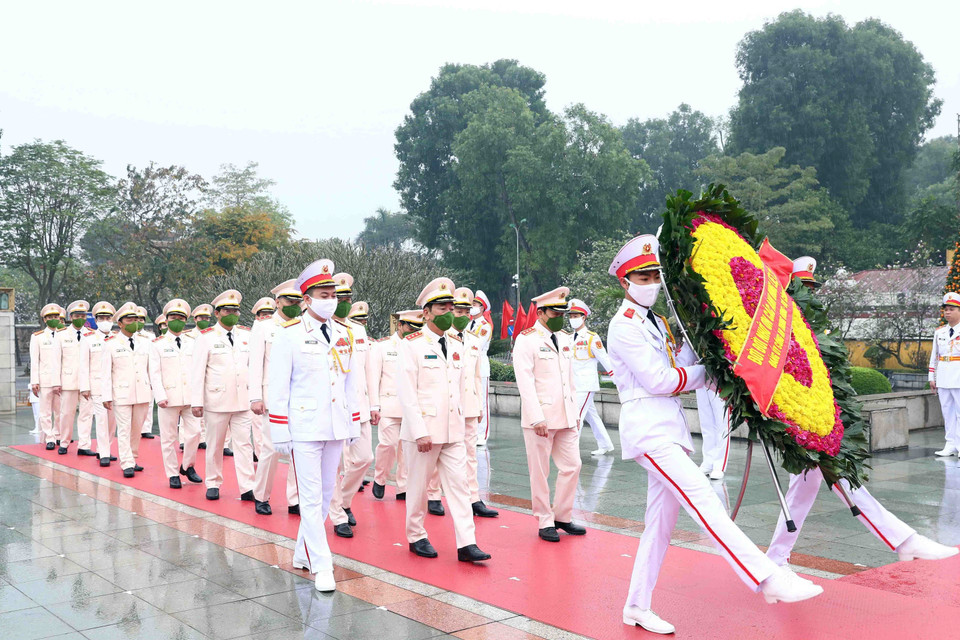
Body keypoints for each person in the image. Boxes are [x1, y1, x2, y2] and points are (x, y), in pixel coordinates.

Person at [606, 234, 822, 634]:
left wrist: (708, 345)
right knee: (705, 500)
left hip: (667, 430)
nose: (653, 281)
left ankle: (636, 605)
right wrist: (707, 373)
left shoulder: (657, 323)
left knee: (659, 527)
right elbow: (659, 380)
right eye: (643, 275)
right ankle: (765, 577)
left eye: (656, 274)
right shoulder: (623, 326)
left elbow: (680, 363)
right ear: (625, 281)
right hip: (649, 431)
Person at [268, 258, 363, 592]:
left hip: (335, 426)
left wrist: (354, 423)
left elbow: (351, 382)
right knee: (309, 498)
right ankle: (323, 566)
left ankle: (303, 552)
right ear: (306, 299)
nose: (330, 299)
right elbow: (277, 385)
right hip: (304, 426)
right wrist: (279, 428)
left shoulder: (344, 333)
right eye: (323, 294)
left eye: (332, 294)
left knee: (324, 496)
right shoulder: (288, 335)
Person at [397, 277, 492, 563]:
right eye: (441, 307)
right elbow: (407, 392)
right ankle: (416, 535)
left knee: (461, 486)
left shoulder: (457, 343)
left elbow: (460, 386)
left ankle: (467, 543)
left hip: (453, 430)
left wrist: (464, 422)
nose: (448, 312)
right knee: (417, 487)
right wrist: (419, 431)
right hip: (423, 432)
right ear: (426, 313)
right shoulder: (411, 345)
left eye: (450, 306)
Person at [513, 287, 584, 542]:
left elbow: (569, 380)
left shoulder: (564, 338)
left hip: (566, 415)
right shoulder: (526, 339)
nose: (560, 317)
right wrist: (536, 417)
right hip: (540, 418)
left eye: (563, 312)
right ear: (541, 312)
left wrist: (574, 412)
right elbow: (525, 381)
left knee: (573, 465)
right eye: (555, 312)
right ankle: (544, 520)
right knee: (540, 471)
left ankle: (562, 516)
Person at [191, 290, 257, 501]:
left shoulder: (246, 335)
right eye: (227, 310)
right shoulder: (206, 337)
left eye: (235, 311)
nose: (232, 314)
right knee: (215, 445)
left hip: (242, 400)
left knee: (244, 445)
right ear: (218, 314)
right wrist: (196, 402)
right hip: (216, 401)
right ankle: (213, 482)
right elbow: (198, 372)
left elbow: (253, 368)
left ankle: (248, 486)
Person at [249, 281, 303, 516]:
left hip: (299, 398)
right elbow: (255, 364)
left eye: (297, 301)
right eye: (289, 301)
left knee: (299, 452)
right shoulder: (264, 327)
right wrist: (255, 398)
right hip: (272, 398)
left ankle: (295, 499)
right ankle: (261, 496)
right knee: (270, 451)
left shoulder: (303, 326)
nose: (294, 305)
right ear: (278, 302)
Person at [328, 273, 374, 538]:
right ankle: (337, 515)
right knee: (334, 464)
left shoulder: (358, 330)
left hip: (360, 406)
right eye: (339, 297)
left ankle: (344, 501)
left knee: (364, 458)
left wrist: (375, 403)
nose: (344, 302)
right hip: (334, 406)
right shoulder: (323, 329)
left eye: (348, 298)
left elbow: (367, 369)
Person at [450, 287, 498, 517]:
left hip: (468, 402)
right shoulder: (443, 337)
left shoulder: (475, 336)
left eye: (466, 310)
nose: (463, 314)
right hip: (447, 406)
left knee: (470, 454)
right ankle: (431, 496)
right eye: (457, 310)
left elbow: (476, 376)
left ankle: (474, 498)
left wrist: (477, 405)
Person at [148, 299, 203, 488]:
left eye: (180, 318)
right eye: (173, 317)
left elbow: (198, 370)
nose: (177, 320)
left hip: (190, 397)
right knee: (169, 438)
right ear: (167, 319)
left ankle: (187, 466)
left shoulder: (193, 342)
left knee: (195, 433)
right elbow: (154, 373)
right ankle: (172, 473)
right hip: (168, 398)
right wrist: (159, 396)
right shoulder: (157, 344)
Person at [369, 309, 423, 501]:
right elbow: (373, 377)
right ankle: (380, 478)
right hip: (389, 405)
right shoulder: (382, 346)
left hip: (412, 408)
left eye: (418, 327)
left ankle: (403, 487)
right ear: (399, 325)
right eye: (409, 326)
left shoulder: (420, 346)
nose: (412, 330)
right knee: (388, 445)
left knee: (407, 450)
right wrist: (373, 406)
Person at [101, 302, 152, 478]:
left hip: (142, 392)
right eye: (129, 319)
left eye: (135, 319)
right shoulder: (110, 343)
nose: (133, 322)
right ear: (120, 323)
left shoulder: (146, 342)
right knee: (123, 429)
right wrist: (106, 396)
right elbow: (106, 372)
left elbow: (151, 369)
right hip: (121, 393)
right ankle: (127, 463)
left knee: (136, 429)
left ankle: (133, 458)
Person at [567, 298, 616, 456]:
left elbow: (605, 359)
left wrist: (616, 378)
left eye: (576, 315)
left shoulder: (591, 337)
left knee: (576, 416)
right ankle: (606, 444)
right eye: (571, 315)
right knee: (591, 415)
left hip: (586, 384)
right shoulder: (569, 338)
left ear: (584, 317)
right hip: (574, 383)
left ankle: (571, 451)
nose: (573, 319)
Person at [79, 301, 117, 466]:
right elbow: (83, 364)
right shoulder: (88, 339)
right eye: (101, 317)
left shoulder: (118, 338)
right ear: (96, 319)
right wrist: (84, 387)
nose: (105, 320)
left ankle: (106, 448)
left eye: (108, 317)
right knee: (101, 419)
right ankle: (104, 454)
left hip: (116, 386)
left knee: (112, 422)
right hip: (97, 385)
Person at [55, 300, 91, 455]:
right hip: (68, 381)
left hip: (87, 383)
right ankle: (64, 442)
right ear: (71, 316)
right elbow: (56, 360)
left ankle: (84, 445)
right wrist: (56, 382)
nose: (80, 318)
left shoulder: (91, 335)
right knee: (66, 414)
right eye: (77, 315)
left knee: (86, 414)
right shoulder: (61, 334)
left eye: (83, 316)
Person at [30, 303, 64, 450]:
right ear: (45, 319)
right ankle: (49, 437)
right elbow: (35, 360)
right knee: (45, 411)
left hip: (62, 380)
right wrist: (34, 381)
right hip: (45, 380)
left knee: (60, 410)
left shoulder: (64, 335)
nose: (53, 319)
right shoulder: (37, 337)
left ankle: (58, 435)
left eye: (56, 316)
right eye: (50, 317)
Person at [931, 292, 960, 457]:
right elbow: (934, 356)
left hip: (959, 376)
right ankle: (950, 444)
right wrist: (932, 377)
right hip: (943, 377)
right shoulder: (940, 332)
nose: (947, 312)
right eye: (945, 309)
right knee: (947, 411)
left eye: (951, 309)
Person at [250, 295, 277, 461]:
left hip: (270, 388)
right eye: (263, 313)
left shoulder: (274, 328)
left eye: (269, 312)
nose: (266, 316)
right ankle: (260, 456)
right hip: (255, 388)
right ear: (257, 316)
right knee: (258, 426)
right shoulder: (253, 332)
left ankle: (260, 454)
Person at [467, 290, 493, 446]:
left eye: (475, 305)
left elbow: (477, 345)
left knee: (482, 402)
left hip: (481, 367)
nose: (472, 307)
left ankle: (482, 434)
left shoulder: (484, 326)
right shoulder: (468, 323)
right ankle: (472, 432)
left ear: (482, 308)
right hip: (469, 366)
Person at [695, 388, 730, 480]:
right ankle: (708, 462)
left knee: (722, 422)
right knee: (706, 422)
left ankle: (719, 465)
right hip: (701, 380)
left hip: (719, 380)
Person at [135, 306, 157, 440]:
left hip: (147, 370)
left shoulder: (150, 336)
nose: (139, 321)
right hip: (133, 372)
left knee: (148, 402)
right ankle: (136, 428)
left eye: (142, 319)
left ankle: (146, 428)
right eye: (136, 318)